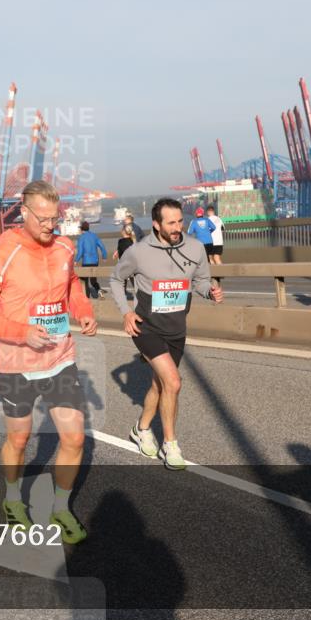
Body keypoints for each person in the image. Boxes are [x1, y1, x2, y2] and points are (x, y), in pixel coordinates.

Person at [0, 180, 97, 544]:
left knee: (74, 439)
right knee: (20, 438)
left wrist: (83, 310)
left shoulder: (63, 247)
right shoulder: (1, 255)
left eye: (54, 218)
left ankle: (60, 508)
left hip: (59, 358)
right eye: (42, 218)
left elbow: (71, 283)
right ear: (22, 212)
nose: (49, 225)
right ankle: (13, 499)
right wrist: (21, 332)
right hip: (16, 363)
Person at [109, 198, 224, 470]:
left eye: (180, 221)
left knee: (159, 385)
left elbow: (201, 281)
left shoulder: (195, 247)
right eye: (171, 223)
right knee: (173, 382)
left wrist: (210, 291)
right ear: (156, 224)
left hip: (176, 327)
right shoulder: (138, 252)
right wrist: (126, 311)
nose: (177, 227)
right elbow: (116, 279)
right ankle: (170, 444)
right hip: (146, 325)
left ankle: (141, 428)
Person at [76, 221, 108, 299]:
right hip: (95, 261)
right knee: (93, 281)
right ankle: (99, 291)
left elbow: (80, 252)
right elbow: (102, 247)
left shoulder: (81, 238)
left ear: (81, 229)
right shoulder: (94, 236)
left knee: (84, 280)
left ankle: (86, 297)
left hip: (86, 262)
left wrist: (76, 260)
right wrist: (104, 256)